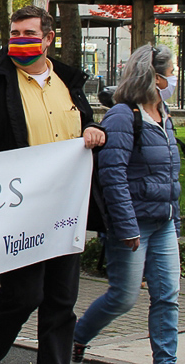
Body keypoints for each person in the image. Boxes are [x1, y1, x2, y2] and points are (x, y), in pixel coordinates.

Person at [0, 5, 105, 364]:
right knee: (23, 295)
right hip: (20, 210)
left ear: (48, 39)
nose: (20, 41)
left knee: (61, 300)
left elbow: (87, 128)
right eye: (15, 34)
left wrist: (93, 130)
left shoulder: (68, 82)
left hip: (67, 208)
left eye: (28, 34)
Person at [72, 45, 180, 363]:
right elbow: (112, 175)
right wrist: (126, 226)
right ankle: (76, 337)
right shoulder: (123, 115)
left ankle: (165, 359)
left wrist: (174, 221)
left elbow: (169, 174)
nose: (174, 78)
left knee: (167, 297)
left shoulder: (164, 113)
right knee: (123, 297)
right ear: (156, 77)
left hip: (163, 222)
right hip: (132, 226)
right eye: (171, 72)